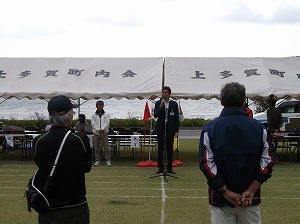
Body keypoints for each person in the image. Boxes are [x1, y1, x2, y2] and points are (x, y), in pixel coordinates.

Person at [199, 82, 275, 224]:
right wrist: (252, 189)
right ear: (243, 101)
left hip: (221, 200)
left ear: (222, 101)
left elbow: (206, 164)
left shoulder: (210, 129)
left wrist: (224, 191)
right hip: (249, 198)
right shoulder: (259, 128)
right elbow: (268, 160)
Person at [33, 95, 92, 224]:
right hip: (75, 207)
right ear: (68, 116)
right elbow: (87, 168)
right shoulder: (80, 140)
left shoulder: (38, 141)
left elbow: (40, 165)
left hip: (48, 206)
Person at [154, 86, 179, 174]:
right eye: (163, 92)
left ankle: (169, 167)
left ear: (169, 94)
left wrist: (176, 130)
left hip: (170, 129)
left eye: (166, 92)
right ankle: (160, 167)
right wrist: (161, 106)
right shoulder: (158, 103)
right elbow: (155, 115)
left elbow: (176, 118)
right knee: (160, 148)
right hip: (161, 128)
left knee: (169, 148)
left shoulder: (174, 104)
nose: (164, 94)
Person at [91, 100, 111, 166]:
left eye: (101, 105)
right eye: (98, 105)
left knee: (106, 148)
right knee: (96, 148)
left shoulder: (107, 114)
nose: (99, 106)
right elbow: (93, 124)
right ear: (96, 106)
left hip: (104, 133)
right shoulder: (93, 115)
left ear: (103, 106)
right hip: (96, 134)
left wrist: (103, 129)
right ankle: (97, 161)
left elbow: (107, 123)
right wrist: (98, 129)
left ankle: (108, 160)